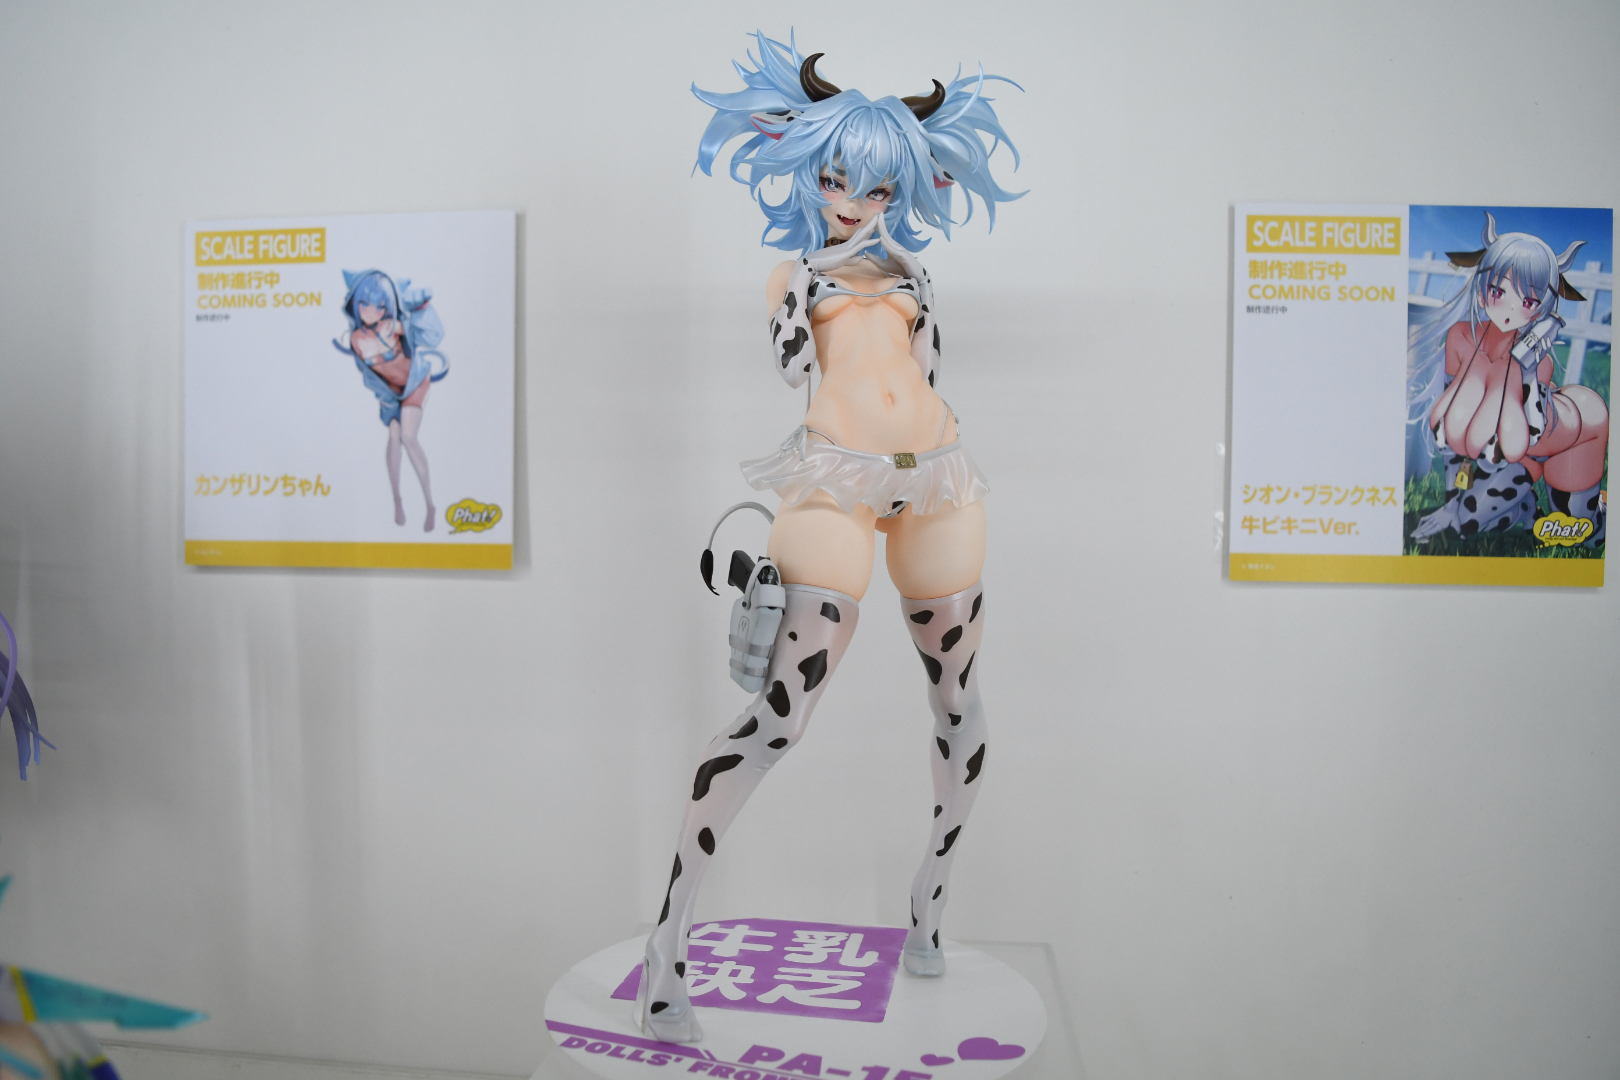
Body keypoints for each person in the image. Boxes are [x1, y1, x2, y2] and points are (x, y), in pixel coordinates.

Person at [637, 32, 1023, 1042]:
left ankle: (930, 900)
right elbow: (789, 367)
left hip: (937, 478)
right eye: (838, 179)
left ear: (907, 189)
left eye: (878, 187)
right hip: (834, 485)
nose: (853, 202)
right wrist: (820, 278)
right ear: (809, 171)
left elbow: (927, 378)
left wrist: (890, 274)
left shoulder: (917, 279)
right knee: (779, 718)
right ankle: (668, 941)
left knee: (958, 698)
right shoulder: (794, 276)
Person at [1407, 213, 1607, 543]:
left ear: (1541, 308)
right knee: (1464, 521)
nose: (1510, 310)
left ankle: (1598, 510)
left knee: (1585, 533)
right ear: (1482, 289)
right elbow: (1453, 439)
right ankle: (1526, 509)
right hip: (1517, 457)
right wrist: (1451, 504)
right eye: (1498, 291)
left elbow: (1530, 431)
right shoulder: (1461, 338)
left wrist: (1526, 365)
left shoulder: (1536, 361)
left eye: (1527, 301)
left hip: (1578, 432)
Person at [334, 269, 447, 531]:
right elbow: (371, 377)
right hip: (391, 394)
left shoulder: (391, 326)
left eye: (379, 306)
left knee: (408, 436)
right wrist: (386, 400)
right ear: (355, 303)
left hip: (415, 381)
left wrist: (421, 309)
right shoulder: (356, 339)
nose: (370, 311)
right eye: (364, 304)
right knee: (394, 435)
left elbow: (433, 336)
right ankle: (397, 500)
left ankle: (430, 504)